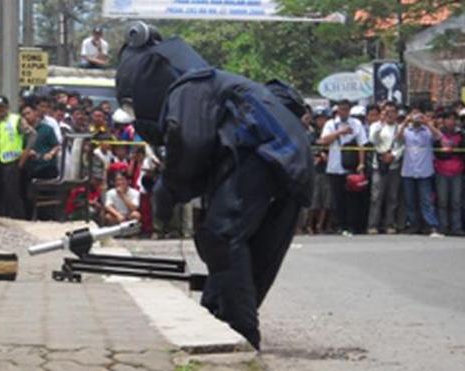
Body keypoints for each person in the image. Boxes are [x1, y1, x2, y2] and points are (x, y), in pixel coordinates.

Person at [116, 22, 313, 349]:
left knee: (221, 235)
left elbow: (189, 142)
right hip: (291, 162)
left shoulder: (190, 86)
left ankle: (241, 332)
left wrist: (167, 192)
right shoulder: (214, 83)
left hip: (263, 157)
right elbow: (204, 155)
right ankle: (217, 316)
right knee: (244, 249)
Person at [0, 96, 37, 219]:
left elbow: (32, 135)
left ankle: (18, 221)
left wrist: (24, 155)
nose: (0, 110)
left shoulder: (16, 120)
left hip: (12, 162)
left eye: (2, 107)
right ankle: (3, 222)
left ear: (7, 107)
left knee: (12, 195)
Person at [319, 99, 368, 236]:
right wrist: (340, 132)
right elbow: (323, 140)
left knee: (352, 198)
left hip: (351, 166)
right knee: (337, 198)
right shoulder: (330, 124)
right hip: (334, 166)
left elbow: (361, 145)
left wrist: (361, 163)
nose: (343, 112)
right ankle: (341, 225)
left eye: (346, 109)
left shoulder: (356, 123)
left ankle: (352, 226)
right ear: (337, 110)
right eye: (341, 109)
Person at [396, 112, 442, 236]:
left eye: (418, 116)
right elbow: (397, 138)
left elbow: (439, 136)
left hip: (424, 171)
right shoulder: (407, 131)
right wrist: (405, 122)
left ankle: (431, 225)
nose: (416, 119)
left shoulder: (427, 132)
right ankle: (414, 225)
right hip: (409, 171)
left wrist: (427, 123)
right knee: (410, 201)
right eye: (414, 116)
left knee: (426, 200)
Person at [367, 101, 403, 234]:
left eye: (392, 112)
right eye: (387, 112)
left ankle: (389, 224)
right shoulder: (376, 126)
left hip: (394, 166)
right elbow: (373, 140)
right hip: (379, 165)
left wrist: (394, 155)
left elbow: (402, 146)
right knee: (376, 197)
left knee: (392, 197)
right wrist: (381, 123)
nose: (390, 114)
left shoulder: (399, 127)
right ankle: (373, 225)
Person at [433, 111, 464, 236]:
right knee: (442, 201)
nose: (451, 122)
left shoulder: (461, 135)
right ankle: (443, 226)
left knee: (456, 201)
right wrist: (447, 152)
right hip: (441, 171)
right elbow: (437, 153)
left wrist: (450, 151)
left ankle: (456, 227)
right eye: (449, 119)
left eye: (453, 119)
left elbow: (461, 152)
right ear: (444, 121)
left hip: (457, 171)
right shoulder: (438, 135)